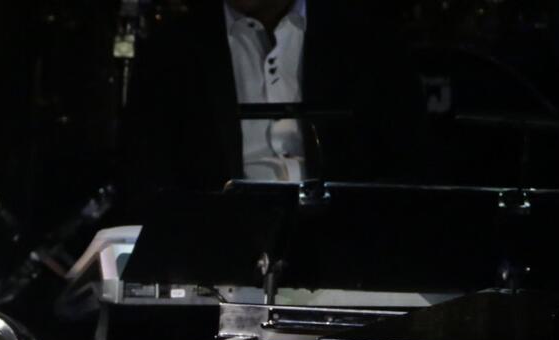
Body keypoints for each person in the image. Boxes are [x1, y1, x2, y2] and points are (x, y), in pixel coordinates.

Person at [119, 0, 428, 214]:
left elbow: (406, 166)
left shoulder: (369, 42)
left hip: (343, 246)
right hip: (219, 254)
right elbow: (146, 178)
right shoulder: (172, 50)